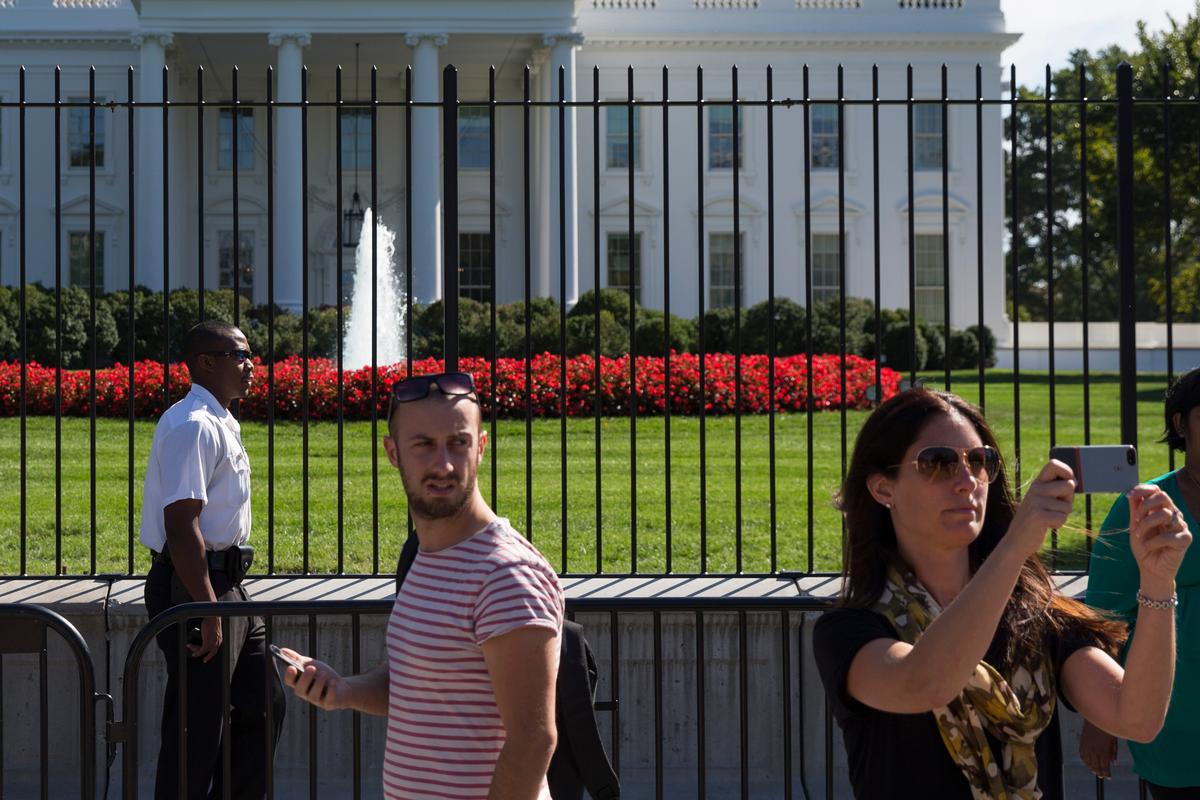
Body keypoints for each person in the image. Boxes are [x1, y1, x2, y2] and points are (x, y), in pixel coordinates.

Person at [813, 387, 1192, 800]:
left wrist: (1158, 581)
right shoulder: (851, 628)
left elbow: (1135, 718)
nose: (966, 482)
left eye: (979, 462)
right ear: (883, 489)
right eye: (938, 463)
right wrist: (1015, 547)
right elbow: (923, 683)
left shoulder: (1037, 615)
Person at [280, 371, 564, 800]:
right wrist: (345, 690)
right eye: (424, 445)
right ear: (392, 453)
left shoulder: (504, 573)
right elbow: (423, 686)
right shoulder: (427, 556)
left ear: (481, 447)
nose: (444, 464)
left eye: (459, 443)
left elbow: (533, 739)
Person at [140, 320, 284, 800]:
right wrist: (207, 608)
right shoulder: (194, 425)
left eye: (249, 354)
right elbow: (182, 527)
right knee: (197, 732)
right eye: (238, 355)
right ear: (205, 362)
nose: (250, 364)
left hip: (227, 586)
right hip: (195, 587)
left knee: (263, 706)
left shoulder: (220, 418)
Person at [1081, 367, 1200, 798]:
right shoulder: (1144, 507)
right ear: (1180, 424)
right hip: (1174, 724)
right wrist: (1098, 720)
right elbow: (1104, 615)